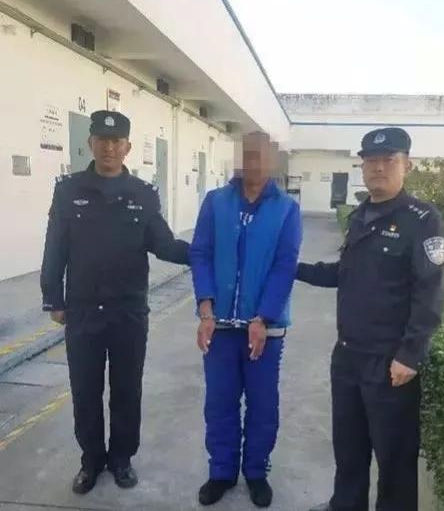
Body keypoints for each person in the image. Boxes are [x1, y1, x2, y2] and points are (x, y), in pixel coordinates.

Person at [298, 127, 444, 511]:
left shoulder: (421, 219)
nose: (379, 168)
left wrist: (410, 355)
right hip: (348, 355)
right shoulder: (360, 215)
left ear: (406, 166)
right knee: (348, 447)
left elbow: (431, 291)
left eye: (389, 160)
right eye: (371, 161)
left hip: (389, 362)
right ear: (362, 167)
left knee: (394, 459)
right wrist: (294, 269)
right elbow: (346, 273)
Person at [40, 110, 190, 495]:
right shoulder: (68, 190)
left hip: (128, 312)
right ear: (91, 143)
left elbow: (163, 244)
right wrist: (52, 297)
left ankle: (121, 459)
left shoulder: (143, 194)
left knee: (127, 390)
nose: (109, 148)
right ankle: (91, 461)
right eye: (102, 140)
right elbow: (55, 246)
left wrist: (204, 251)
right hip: (83, 310)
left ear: (127, 147)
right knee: (85, 391)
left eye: (116, 141)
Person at [190, 131, 302, 508]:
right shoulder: (216, 202)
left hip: (265, 331)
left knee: (262, 404)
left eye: (261, 155)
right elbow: (201, 254)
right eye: (248, 155)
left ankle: (256, 472)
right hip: (220, 326)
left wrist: (263, 317)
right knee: (220, 403)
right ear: (239, 158)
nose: (254, 162)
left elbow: (285, 265)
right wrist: (206, 310)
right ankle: (221, 472)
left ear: (273, 160)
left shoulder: (286, 209)